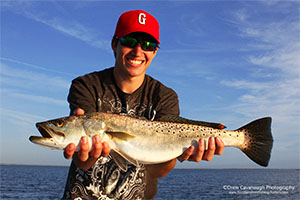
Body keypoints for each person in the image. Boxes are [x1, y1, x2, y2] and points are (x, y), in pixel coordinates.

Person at [62, 10, 224, 200]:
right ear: (114, 44)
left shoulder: (165, 96)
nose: (138, 51)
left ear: (155, 51)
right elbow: (82, 162)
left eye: (148, 44)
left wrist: (179, 153)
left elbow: (157, 172)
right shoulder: (86, 85)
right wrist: (85, 154)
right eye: (130, 41)